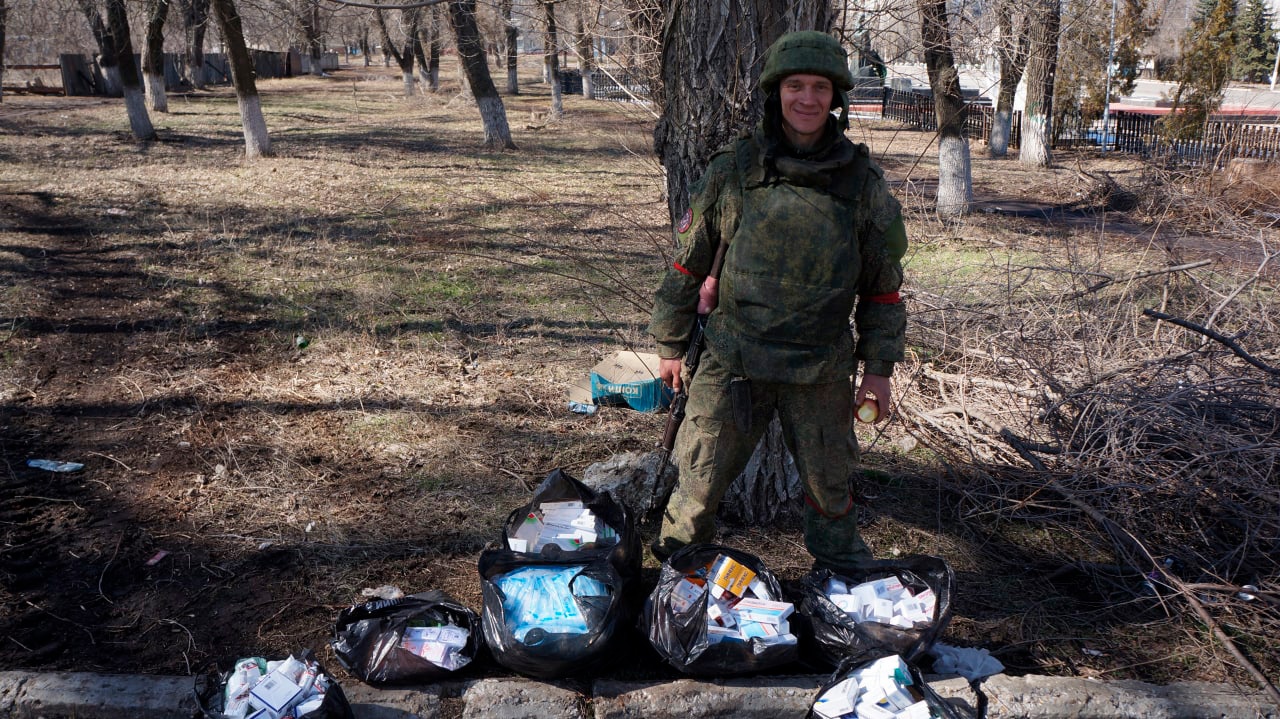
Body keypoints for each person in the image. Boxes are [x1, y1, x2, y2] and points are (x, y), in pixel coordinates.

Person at [648, 30, 908, 571]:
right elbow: (688, 261)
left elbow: (883, 288)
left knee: (831, 497)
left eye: (819, 87)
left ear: (836, 96)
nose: (807, 99)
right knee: (695, 492)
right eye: (795, 86)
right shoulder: (736, 169)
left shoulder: (862, 184)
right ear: (777, 92)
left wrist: (878, 369)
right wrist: (670, 342)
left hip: (821, 370)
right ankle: (669, 595)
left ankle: (844, 600)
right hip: (734, 361)